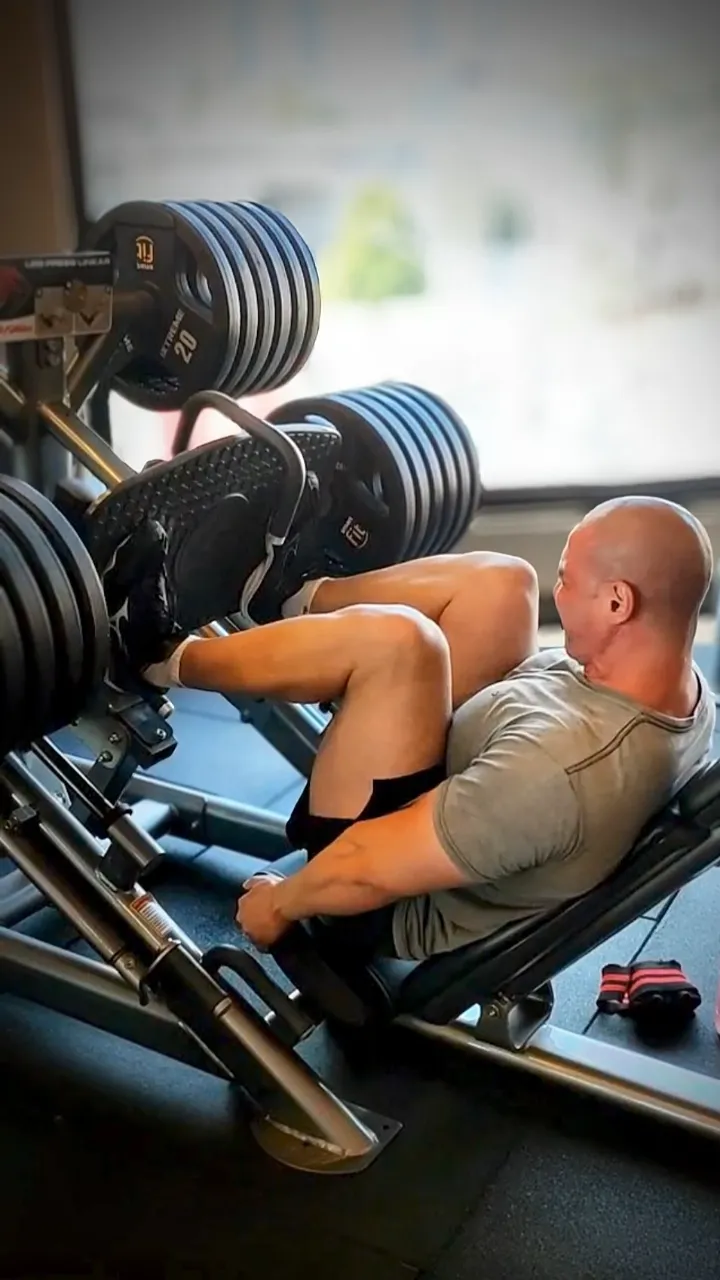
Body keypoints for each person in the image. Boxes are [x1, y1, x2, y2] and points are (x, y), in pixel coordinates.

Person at [105, 495, 715, 962]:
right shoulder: (678, 687)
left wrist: (280, 902)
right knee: (504, 582)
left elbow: (370, 864)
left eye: (569, 580)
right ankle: (294, 595)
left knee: (399, 641)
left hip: (383, 891)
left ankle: (152, 653)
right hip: (478, 774)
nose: (558, 591)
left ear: (617, 604)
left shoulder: (562, 772)